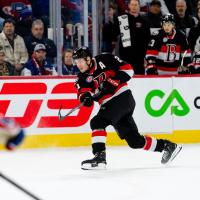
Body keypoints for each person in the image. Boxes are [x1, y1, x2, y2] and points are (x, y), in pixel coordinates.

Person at [73, 46, 182, 170]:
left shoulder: (105, 58)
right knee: (135, 142)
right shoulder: (81, 79)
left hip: (122, 97)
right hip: (111, 105)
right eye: (76, 62)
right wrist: (85, 99)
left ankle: (99, 158)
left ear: (88, 59)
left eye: (80, 61)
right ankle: (167, 146)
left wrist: (113, 82)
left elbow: (129, 70)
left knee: (97, 122)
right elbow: (84, 94)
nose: (78, 65)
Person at [114, 0, 151, 75]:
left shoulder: (144, 22)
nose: (134, 6)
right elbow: (115, 34)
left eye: (136, 5)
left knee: (140, 79)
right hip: (125, 56)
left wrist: (145, 56)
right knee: (126, 78)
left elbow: (147, 39)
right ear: (129, 6)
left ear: (139, 6)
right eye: (132, 4)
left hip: (140, 57)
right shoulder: (123, 19)